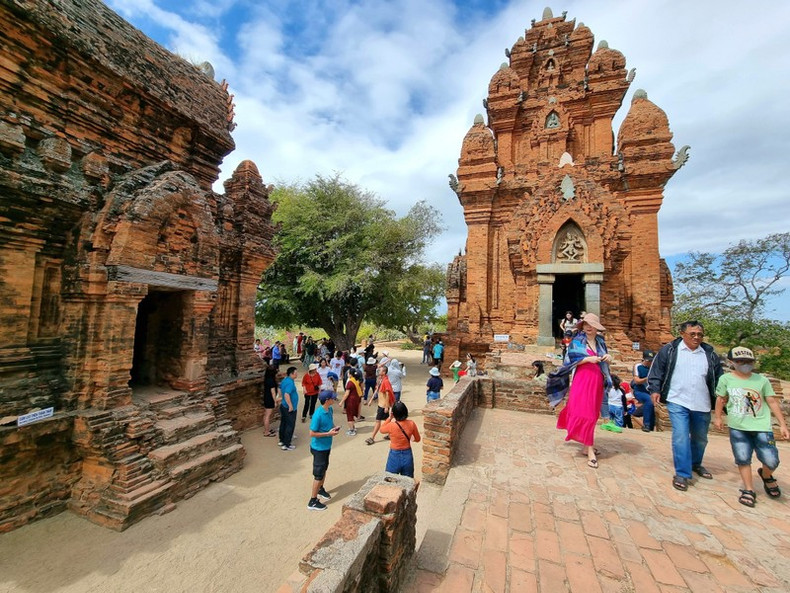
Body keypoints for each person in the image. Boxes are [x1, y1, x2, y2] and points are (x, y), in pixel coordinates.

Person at [648, 320, 723, 491]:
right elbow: (657, 370)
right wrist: (654, 389)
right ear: (682, 334)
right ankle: (682, 472)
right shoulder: (670, 350)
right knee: (680, 436)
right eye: (693, 334)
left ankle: (695, 463)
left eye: (700, 335)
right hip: (677, 399)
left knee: (700, 438)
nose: (697, 337)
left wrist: (721, 396)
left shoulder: (709, 353)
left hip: (702, 401)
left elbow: (718, 377)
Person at [714, 347, 789, 507]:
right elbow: (721, 399)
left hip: (761, 426)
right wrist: (719, 417)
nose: (745, 364)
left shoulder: (761, 381)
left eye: (748, 361)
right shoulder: (726, 379)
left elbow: (772, 401)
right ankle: (749, 489)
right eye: (740, 361)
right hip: (738, 426)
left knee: (772, 460)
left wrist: (783, 425)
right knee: (743, 458)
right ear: (731, 362)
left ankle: (767, 475)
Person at [556, 313, 612, 469]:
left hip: (597, 380)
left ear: (596, 328)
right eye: (586, 324)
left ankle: (587, 445)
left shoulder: (600, 341)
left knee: (593, 415)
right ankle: (590, 451)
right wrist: (588, 359)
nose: (588, 327)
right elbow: (570, 361)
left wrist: (608, 357)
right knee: (585, 413)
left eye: (591, 325)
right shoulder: (578, 341)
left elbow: (604, 358)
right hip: (583, 379)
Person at [307, 390, 341, 511]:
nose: (334, 399)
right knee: (318, 474)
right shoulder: (318, 414)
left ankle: (320, 488)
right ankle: (313, 501)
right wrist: (328, 433)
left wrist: (334, 428)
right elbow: (312, 433)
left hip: (326, 446)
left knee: (324, 468)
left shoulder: (329, 410)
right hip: (319, 448)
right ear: (327, 400)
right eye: (333, 398)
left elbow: (330, 423)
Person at [380, 401, 421, 478]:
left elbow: (381, 429)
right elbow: (418, 439)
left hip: (394, 454)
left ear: (394, 413)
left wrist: (390, 418)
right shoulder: (411, 423)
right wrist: (412, 438)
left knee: (390, 478)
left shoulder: (391, 426)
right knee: (408, 480)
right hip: (407, 453)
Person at [366, 365, 394, 445]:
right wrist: (371, 400)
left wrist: (386, 406)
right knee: (386, 420)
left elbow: (388, 394)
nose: (379, 371)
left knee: (378, 421)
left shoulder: (385, 381)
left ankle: (372, 437)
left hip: (383, 405)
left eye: (380, 370)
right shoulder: (381, 380)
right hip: (381, 404)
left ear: (384, 372)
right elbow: (377, 390)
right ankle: (390, 434)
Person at [632, 350, 656, 432]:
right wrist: (646, 379)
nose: (650, 362)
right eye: (648, 360)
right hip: (639, 391)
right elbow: (636, 380)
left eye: (651, 360)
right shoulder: (638, 366)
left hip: (650, 391)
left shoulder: (654, 368)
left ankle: (651, 426)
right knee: (649, 400)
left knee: (652, 404)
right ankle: (646, 424)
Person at [278, 366, 299, 450]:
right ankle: (287, 444)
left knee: (283, 423)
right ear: (291, 374)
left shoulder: (285, 380)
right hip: (289, 408)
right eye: (295, 373)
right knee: (290, 425)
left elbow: (279, 388)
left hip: (283, 405)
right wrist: (290, 405)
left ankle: (282, 440)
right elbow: (287, 394)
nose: (297, 374)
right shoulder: (290, 383)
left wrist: (280, 397)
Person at [339, 368, 363, 436]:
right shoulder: (356, 381)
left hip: (350, 401)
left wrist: (341, 402)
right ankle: (353, 427)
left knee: (349, 416)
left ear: (350, 374)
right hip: (356, 400)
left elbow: (347, 394)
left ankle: (351, 430)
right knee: (352, 414)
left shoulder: (350, 382)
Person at [261, 363, 279, 437]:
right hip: (270, 399)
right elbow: (273, 393)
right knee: (268, 415)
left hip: (266, 397)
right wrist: (275, 401)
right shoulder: (271, 380)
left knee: (266, 414)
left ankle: (266, 429)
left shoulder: (266, 379)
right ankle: (266, 432)